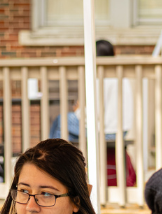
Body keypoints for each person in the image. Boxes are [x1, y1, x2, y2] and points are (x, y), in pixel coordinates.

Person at [50, 39, 136, 187]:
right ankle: (60, 171)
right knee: (65, 133)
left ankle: (53, 170)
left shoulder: (99, 77)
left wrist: (78, 111)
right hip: (120, 131)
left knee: (61, 120)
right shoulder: (121, 77)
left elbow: (91, 116)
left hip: (105, 130)